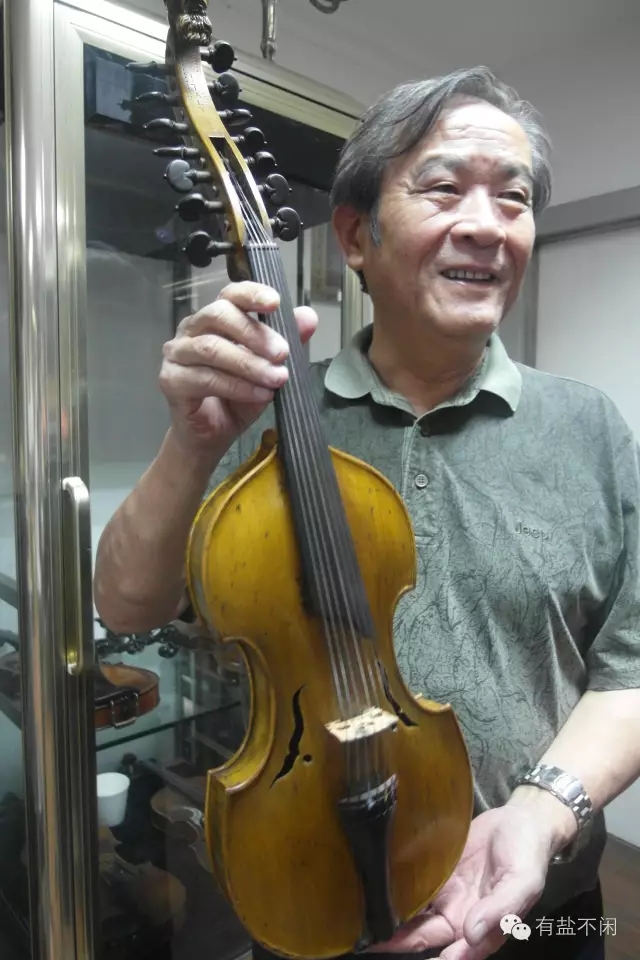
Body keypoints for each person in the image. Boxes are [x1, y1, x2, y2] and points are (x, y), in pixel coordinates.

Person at [94, 66, 640, 960]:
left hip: (544, 908)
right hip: (309, 895)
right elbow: (125, 607)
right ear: (355, 235)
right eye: (444, 188)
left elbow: (631, 670)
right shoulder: (262, 413)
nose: (487, 224)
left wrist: (541, 815)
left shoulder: (592, 428)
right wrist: (190, 445)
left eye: (513, 198)